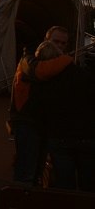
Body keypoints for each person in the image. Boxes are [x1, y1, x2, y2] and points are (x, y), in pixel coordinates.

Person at [32, 39, 95, 191]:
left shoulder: (45, 81)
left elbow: (41, 110)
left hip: (59, 136)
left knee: (64, 187)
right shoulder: (83, 75)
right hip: (86, 136)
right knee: (89, 185)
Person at [8, 38, 72, 184]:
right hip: (28, 122)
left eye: (63, 42)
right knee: (27, 170)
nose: (60, 46)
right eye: (57, 42)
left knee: (35, 167)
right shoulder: (29, 66)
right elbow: (42, 72)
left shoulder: (43, 68)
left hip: (39, 123)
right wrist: (67, 60)